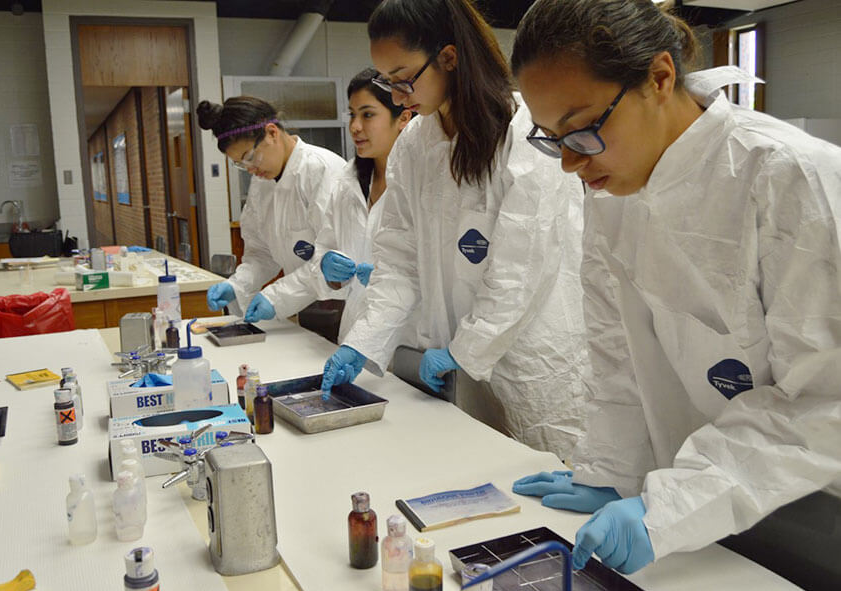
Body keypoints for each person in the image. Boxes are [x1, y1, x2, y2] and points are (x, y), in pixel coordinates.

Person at [508, 0, 841, 588]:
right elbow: (620, 353)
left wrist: (667, 508)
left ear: (660, 77)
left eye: (582, 128)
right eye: (552, 138)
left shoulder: (790, 178)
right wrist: (614, 468)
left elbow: (822, 405)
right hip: (702, 506)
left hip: (815, 507)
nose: (567, 163)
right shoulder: (615, 188)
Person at [320, 0, 588, 457]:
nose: (398, 95)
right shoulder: (414, 146)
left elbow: (521, 272)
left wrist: (467, 349)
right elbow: (399, 260)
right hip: (457, 358)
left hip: (531, 359)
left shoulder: (523, 132)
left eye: (403, 78)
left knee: (546, 487)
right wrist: (362, 342)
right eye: (388, 81)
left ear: (448, 57)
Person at [198, 96, 346, 321]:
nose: (249, 169)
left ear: (272, 133)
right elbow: (261, 253)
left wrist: (276, 297)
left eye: (249, 157)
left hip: (345, 303)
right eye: (240, 163)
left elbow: (333, 257)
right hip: (304, 304)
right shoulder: (263, 183)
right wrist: (237, 285)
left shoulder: (321, 170)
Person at [313, 68, 413, 340]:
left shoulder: (420, 182)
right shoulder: (347, 182)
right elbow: (325, 246)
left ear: (403, 118)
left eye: (367, 114)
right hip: (354, 331)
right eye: (352, 115)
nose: (355, 126)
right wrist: (327, 267)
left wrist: (392, 281)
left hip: (407, 334)